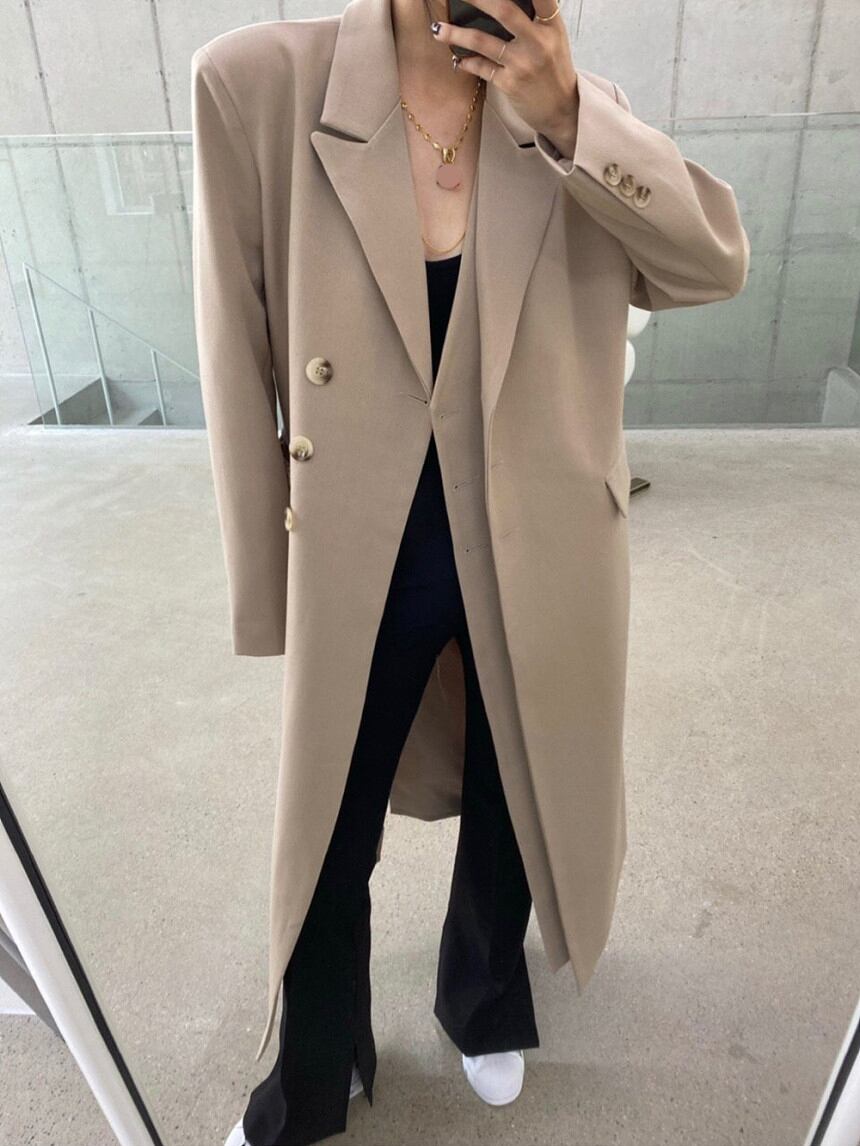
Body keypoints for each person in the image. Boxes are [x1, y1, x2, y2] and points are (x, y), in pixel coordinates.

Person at [190, 0, 750, 1140]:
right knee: (331, 819)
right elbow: (231, 339)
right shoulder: (258, 83)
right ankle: (315, 1060)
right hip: (365, 543)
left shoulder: (578, 111)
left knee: (518, 787)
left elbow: (710, 265)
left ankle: (484, 993)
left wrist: (569, 116)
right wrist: (261, 572)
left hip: (541, 535)